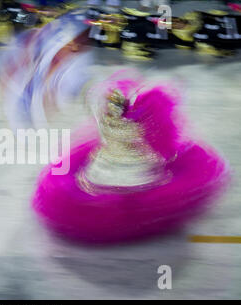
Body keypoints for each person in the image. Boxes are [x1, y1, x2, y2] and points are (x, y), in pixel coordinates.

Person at [32, 71, 230, 243]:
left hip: (117, 167)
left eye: (114, 105)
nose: (111, 108)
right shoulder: (122, 121)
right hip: (120, 166)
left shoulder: (118, 121)